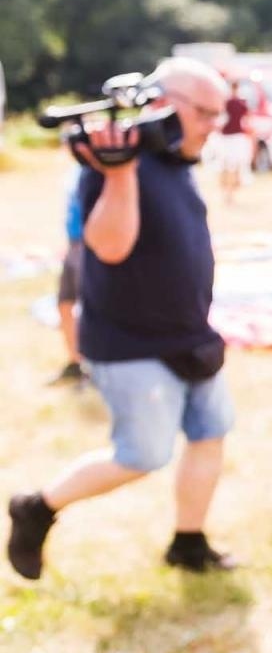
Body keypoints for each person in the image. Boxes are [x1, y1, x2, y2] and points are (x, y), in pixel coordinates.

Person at [8, 57, 238, 579]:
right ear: (165, 104)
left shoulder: (176, 159)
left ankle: (188, 542)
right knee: (142, 455)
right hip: (132, 342)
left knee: (210, 433)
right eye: (205, 113)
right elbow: (110, 247)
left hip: (192, 335)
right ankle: (36, 507)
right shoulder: (115, 163)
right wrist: (121, 174)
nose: (213, 126)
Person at [47, 164, 87, 388]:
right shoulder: (72, 171)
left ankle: (93, 368)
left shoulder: (98, 169)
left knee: (89, 309)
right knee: (64, 303)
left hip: (90, 247)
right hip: (74, 244)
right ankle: (75, 363)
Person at [217, 79, 252, 205]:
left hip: (227, 137)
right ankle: (229, 194)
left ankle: (227, 193)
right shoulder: (241, 103)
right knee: (233, 166)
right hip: (236, 137)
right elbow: (248, 120)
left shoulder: (226, 102)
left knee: (227, 166)